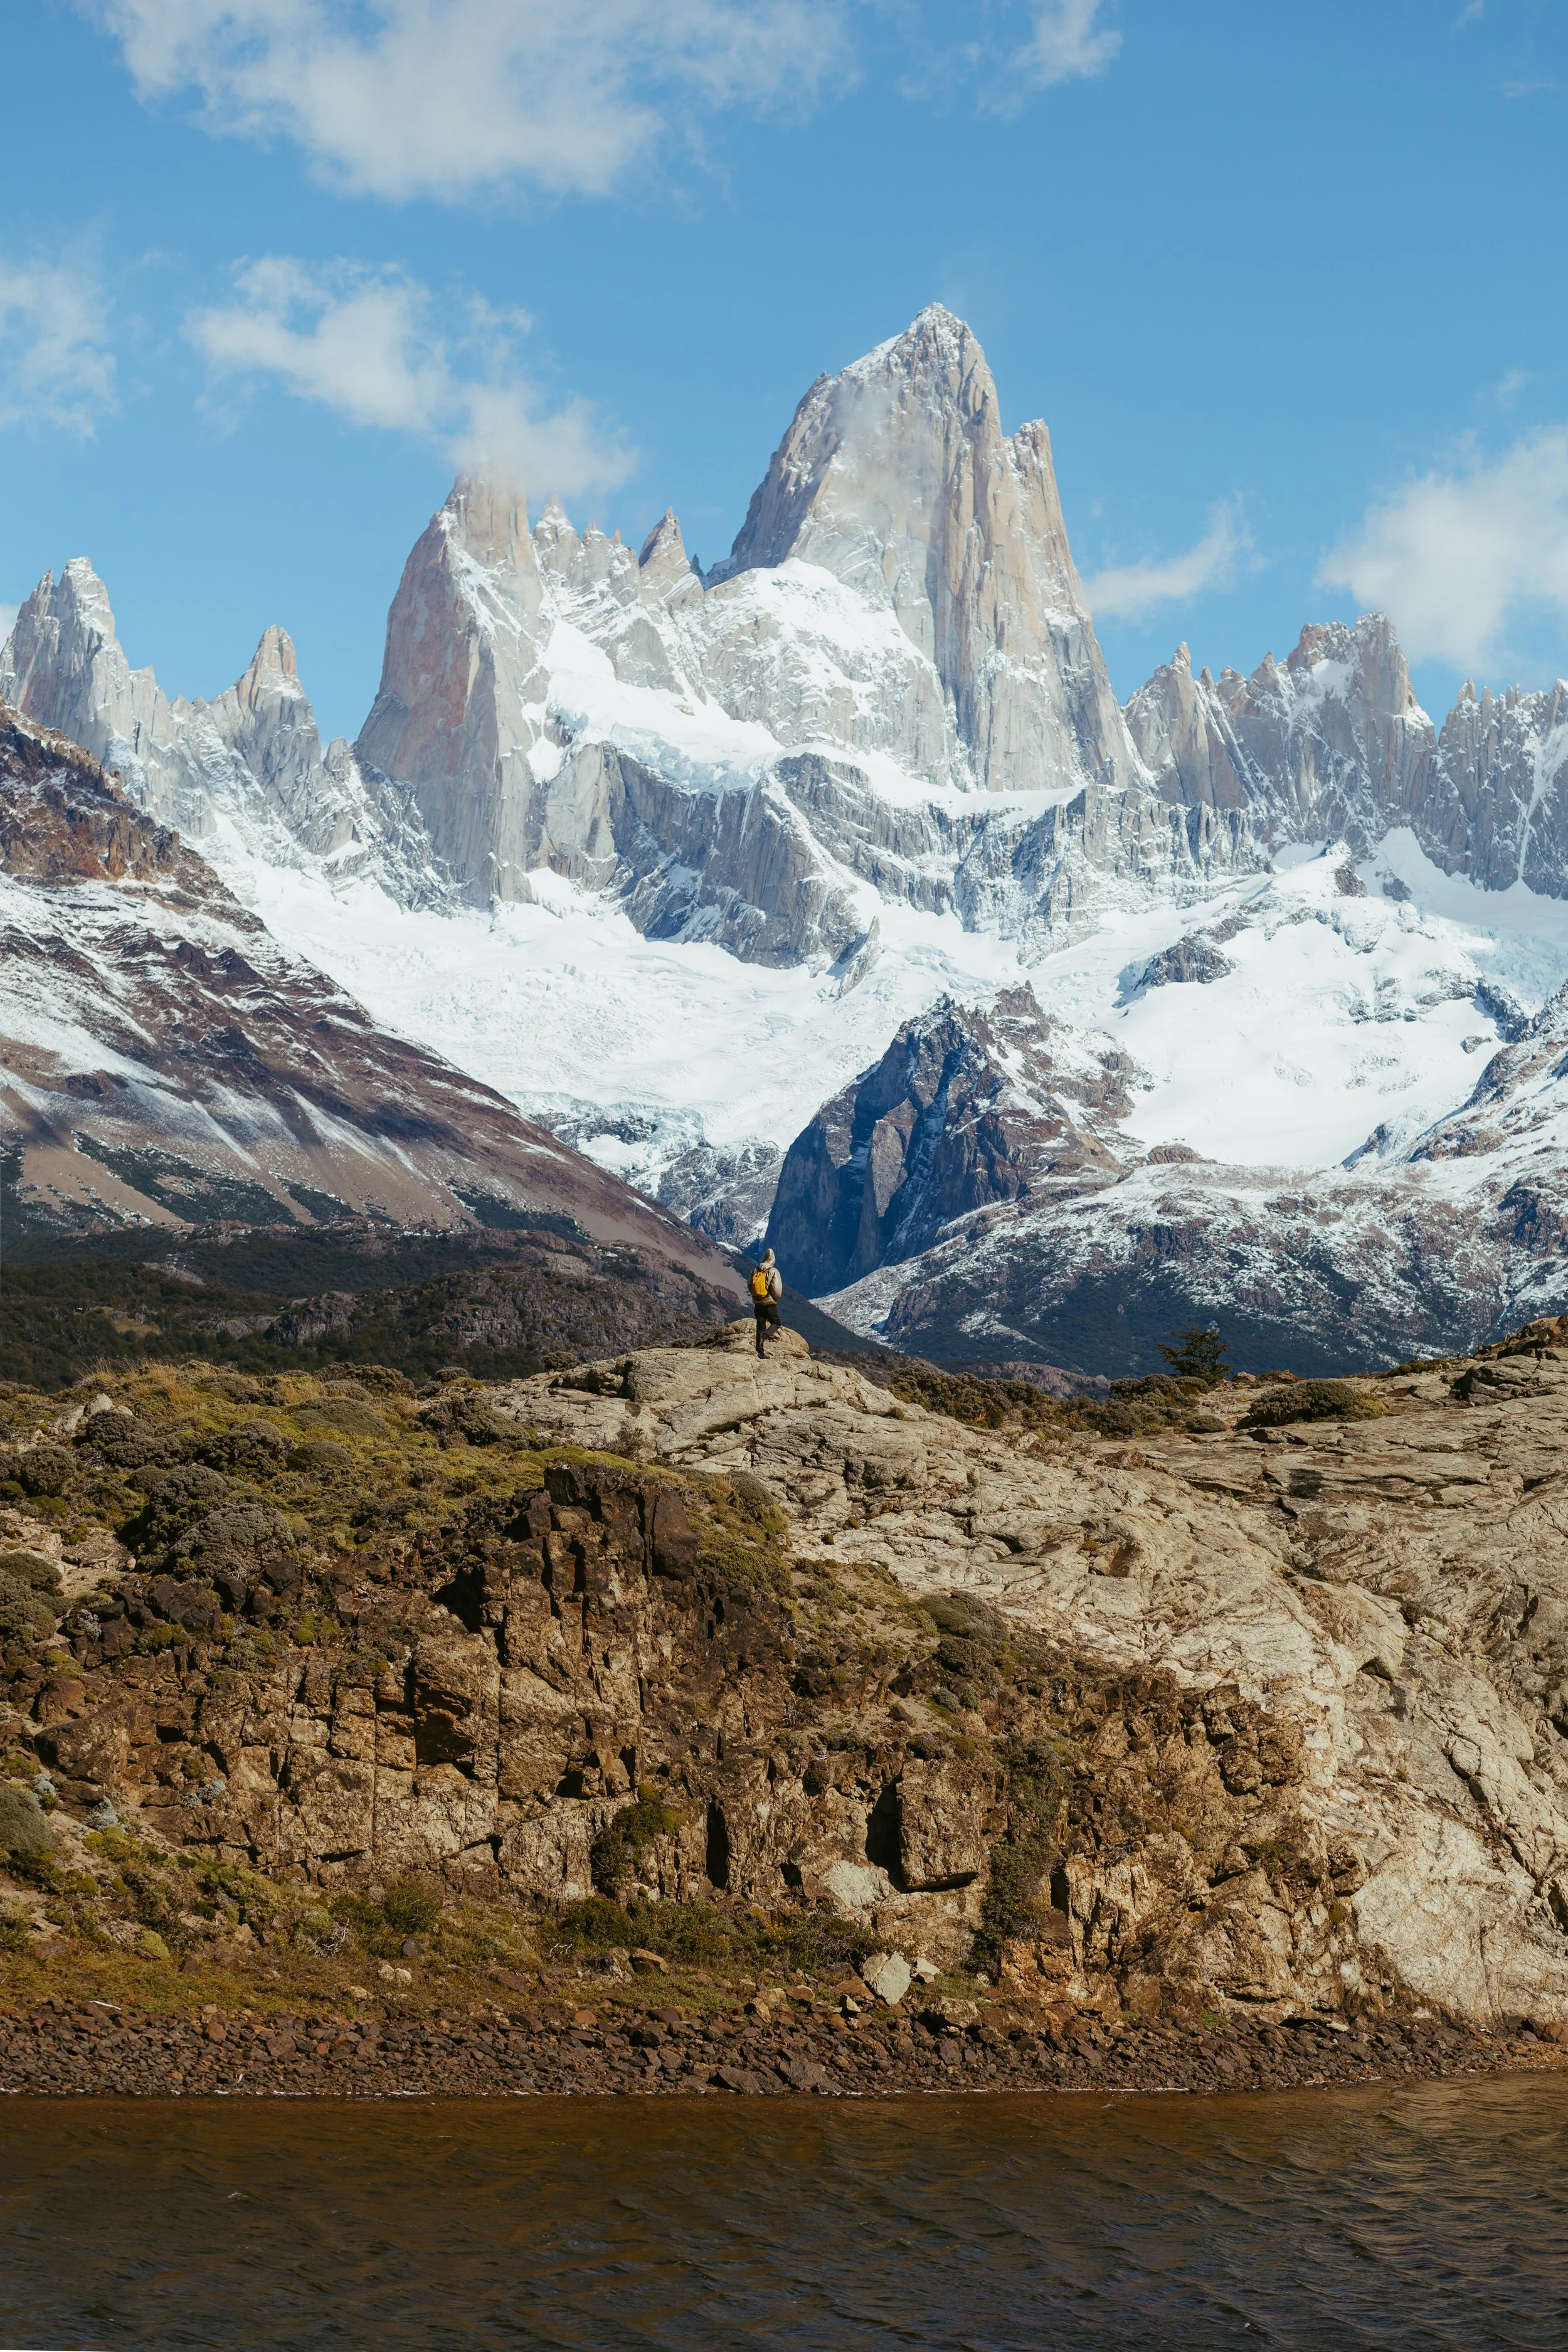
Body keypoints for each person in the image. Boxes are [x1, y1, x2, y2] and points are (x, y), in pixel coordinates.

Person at [750, 1248, 783, 1356]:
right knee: (776, 1323)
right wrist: (775, 1299)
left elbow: (750, 1286)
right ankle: (766, 1335)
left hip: (758, 1303)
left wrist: (756, 1297)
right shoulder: (773, 1271)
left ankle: (760, 1351)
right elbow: (776, 1289)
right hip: (769, 1303)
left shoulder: (756, 1270)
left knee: (760, 1325)